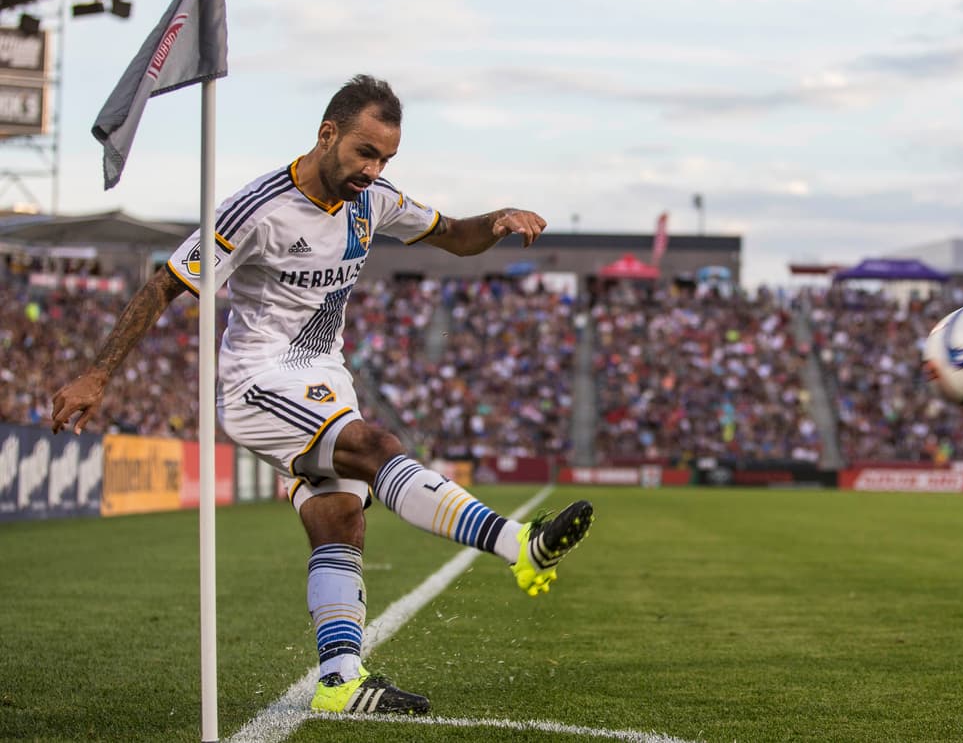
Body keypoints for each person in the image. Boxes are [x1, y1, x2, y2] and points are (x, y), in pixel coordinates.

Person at [50, 75, 593, 716]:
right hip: (257, 382)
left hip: (323, 378)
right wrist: (99, 373)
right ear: (327, 134)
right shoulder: (255, 209)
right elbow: (166, 285)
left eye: (386, 157)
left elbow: (453, 234)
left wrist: (496, 221)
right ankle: (516, 545)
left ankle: (340, 683)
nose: (374, 168)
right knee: (375, 446)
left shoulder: (374, 200)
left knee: (339, 520)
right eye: (365, 152)